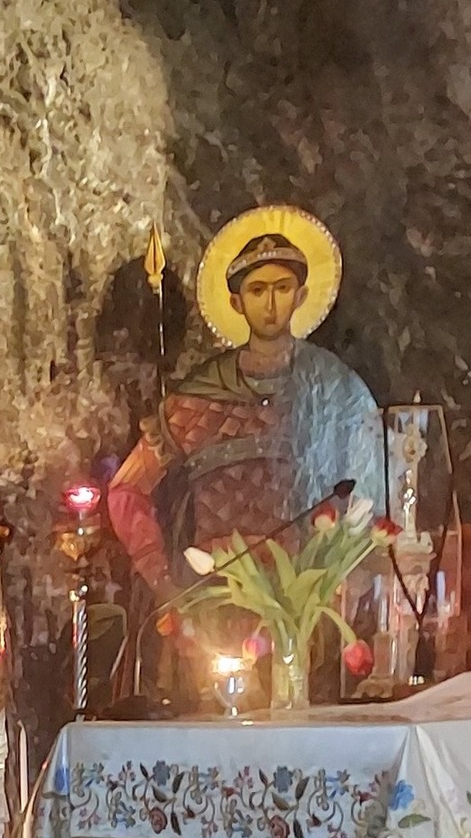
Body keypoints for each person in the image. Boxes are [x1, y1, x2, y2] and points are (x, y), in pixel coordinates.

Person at [106, 207, 386, 614]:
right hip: (216, 603)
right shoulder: (195, 398)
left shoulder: (336, 389)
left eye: (282, 288)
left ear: (301, 295)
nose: (270, 304)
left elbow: (373, 491)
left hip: (309, 606)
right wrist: (167, 584)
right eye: (257, 290)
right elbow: (126, 491)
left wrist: (346, 581)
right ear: (236, 302)